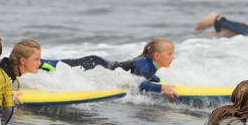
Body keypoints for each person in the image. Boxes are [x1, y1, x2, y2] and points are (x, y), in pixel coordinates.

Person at [41, 37, 178, 98]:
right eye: (169, 54)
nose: (173, 57)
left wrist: (159, 81)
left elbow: (145, 76)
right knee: (55, 66)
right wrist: (161, 88)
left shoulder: (149, 65)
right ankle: (35, 62)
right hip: (94, 65)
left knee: (58, 65)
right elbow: (139, 83)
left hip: (99, 64)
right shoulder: (143, 63)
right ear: (157, 56)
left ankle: (34, 62)